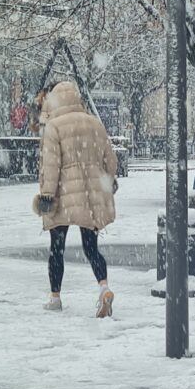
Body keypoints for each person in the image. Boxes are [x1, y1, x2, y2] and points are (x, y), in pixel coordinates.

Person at [34, 81, 118, 318]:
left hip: (62, 194)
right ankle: (104, 288)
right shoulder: (94, 123)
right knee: (91, 247)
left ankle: (55, 297)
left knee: (57, 249)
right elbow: (110, 161)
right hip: (90, 195)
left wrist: (47, 196)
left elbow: (51, 166)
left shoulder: (54, 126)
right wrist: (107, 181)